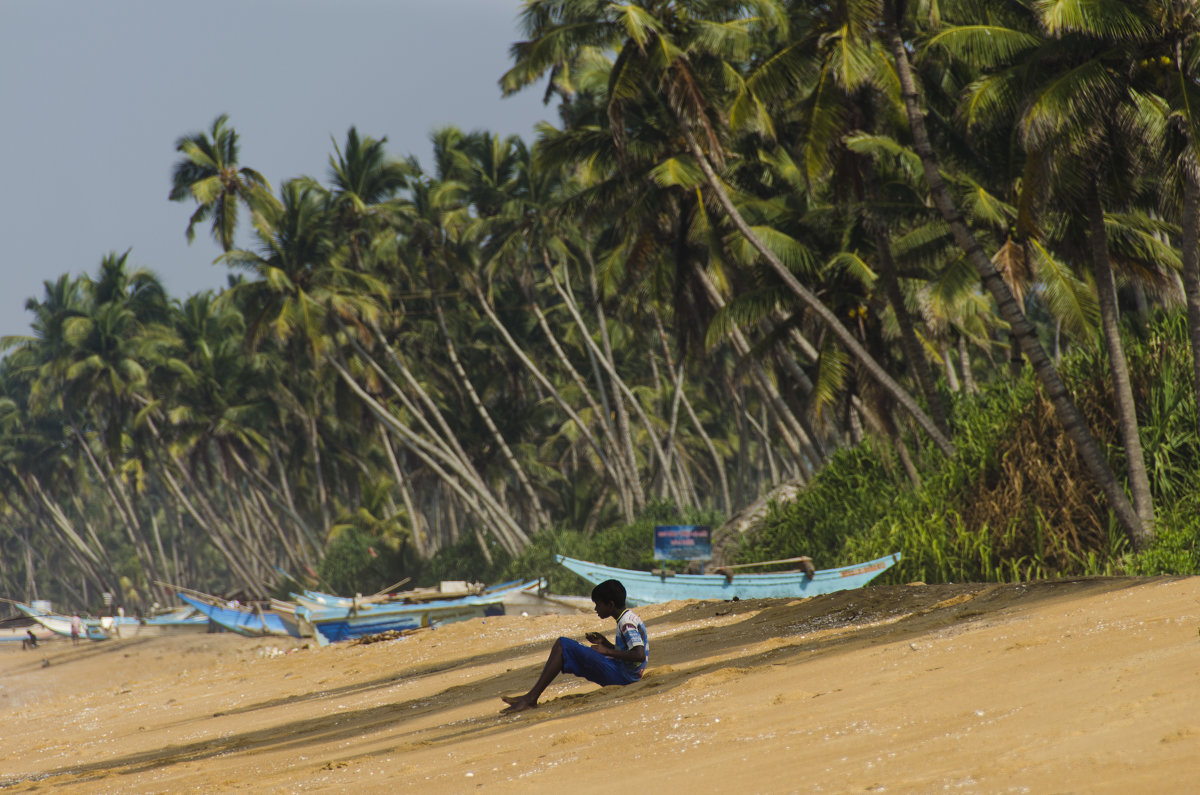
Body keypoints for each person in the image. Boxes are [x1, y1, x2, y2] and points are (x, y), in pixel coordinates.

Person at [501, 578, 648, 714]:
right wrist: (605, 643)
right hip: (627, 673)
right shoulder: (628, 617)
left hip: (625, 677)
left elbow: (639, 655)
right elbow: (630, 652)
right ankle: (530, 697)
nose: (596, 609)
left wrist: (606, 650)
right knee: (566, 646)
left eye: (598, 604)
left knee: (562, 645)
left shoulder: (626, 623)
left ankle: (530, 699)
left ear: (610, 604)